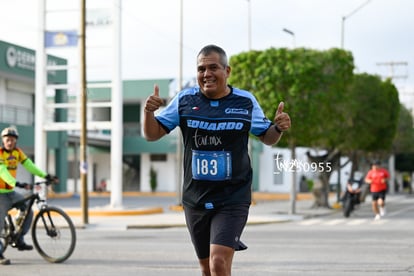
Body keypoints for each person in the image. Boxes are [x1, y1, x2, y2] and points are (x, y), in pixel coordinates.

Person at [143, 45, 291, 276]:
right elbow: (152, 134)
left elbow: (267, 137)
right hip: (196, 198)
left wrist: (278, 128)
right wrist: (148, 114)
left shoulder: (245, 101)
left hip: (233, 197)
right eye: (201, 69)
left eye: (213, 67)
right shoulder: (185, 100)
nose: (206, 74)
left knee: (218, 262)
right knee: (206, 268)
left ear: (227, 70)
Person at [0, 126, 57, 265]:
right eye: (7, 140)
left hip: (11, 193)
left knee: (27, 209)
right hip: (0, 194)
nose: (10, 142)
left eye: (12, 140)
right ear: (3, 140)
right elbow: (2, 171)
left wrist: (45, 175)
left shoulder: (18, 152)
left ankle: (19, 239)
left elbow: (29, 165)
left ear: (15, 141)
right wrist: (17, 183)